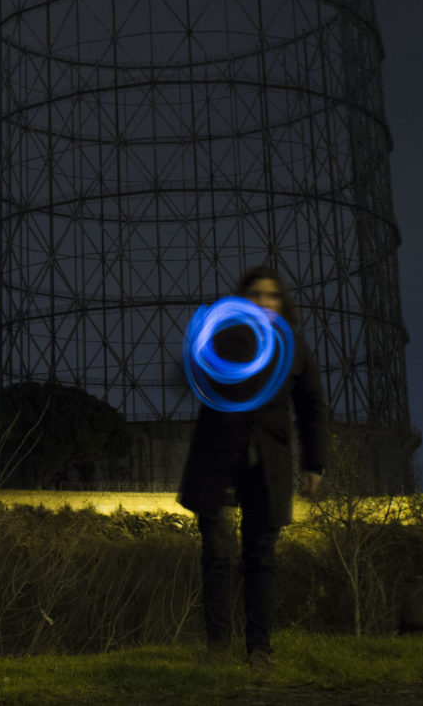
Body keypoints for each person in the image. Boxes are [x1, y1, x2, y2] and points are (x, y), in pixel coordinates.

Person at [177, 265, 327, 673]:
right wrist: (201, 350)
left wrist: (314, 464)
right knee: (218, 556)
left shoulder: (294, 348)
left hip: (268, 465)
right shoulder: (224, 339)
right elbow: (191, 375)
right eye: (256, 294)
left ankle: (260, 649)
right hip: (217, 461)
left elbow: (312, 406)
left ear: (283, 302)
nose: (264, 302)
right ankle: (217, 649)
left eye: (272, 295)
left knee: (261, 558)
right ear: (242, 300)